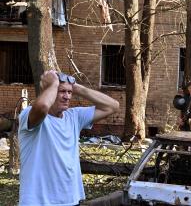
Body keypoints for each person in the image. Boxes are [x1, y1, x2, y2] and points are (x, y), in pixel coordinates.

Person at [18, 70, 119, 206]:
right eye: (61, 91)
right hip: (38, 201)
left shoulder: (74, 116)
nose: (67, 97)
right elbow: (42, 106)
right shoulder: (29, 115)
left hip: (70, 200)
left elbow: (112, 106)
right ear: (50, 91)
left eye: (69, 92)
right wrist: (53, 84)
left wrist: (77, 88)